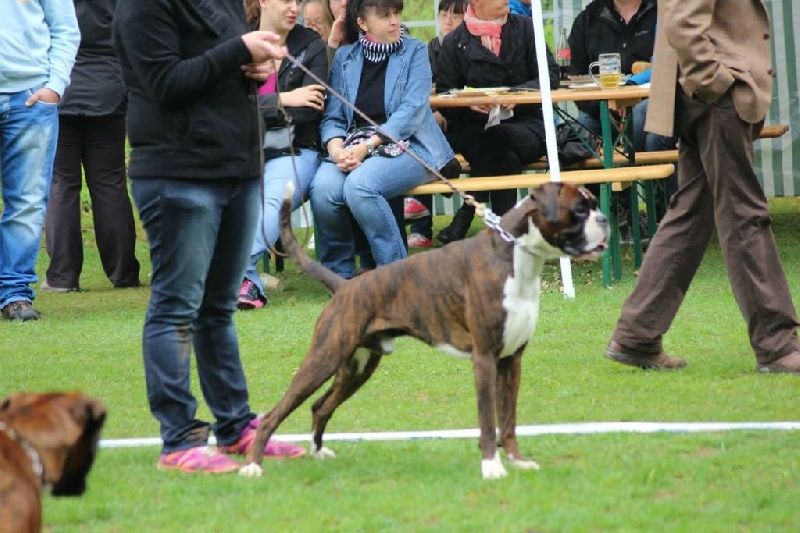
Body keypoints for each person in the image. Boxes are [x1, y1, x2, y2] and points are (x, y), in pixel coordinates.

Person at [113, 0, 306, 473]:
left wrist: (250, 68)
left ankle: (236, 428)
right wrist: (237, 51)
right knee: (176, 308)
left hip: (235, 167)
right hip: (179, 171)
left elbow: (215, 69)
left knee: (218, 309)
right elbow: (164, 83)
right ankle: (179, 440)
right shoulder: (141, 7)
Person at [604, 0, 800, 375]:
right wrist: (715, 83)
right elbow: (682, 21)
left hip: (706, 92)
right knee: (744, 214)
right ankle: (777, 345)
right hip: (714, 94)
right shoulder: (714, 85)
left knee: (692, 213)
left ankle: (637, 335)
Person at [309, 0, 454, 279]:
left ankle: (394, 276)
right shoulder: (344, 57)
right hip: (355, 145)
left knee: (360, 186)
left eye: (397, 13)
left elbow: (411, 114)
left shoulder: (415, 51)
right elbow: (334, 117)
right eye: (385, 15)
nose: (394, 21)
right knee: (324, 189)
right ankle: (340, 279)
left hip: (412, 146)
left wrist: (368, 145)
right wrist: (336, 147)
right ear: (362, 23)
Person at [433, 0, 559, 244]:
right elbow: (445, 97)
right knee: (504, 156)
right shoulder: (454, 42)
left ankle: (467, 212)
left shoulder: (526, 28)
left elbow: (550, 76)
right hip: (473, 130)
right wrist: (469, 103)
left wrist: (517, 96)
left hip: (526, 125)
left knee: (497, 137)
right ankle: (505, 236)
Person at [42, 0, 141, 294]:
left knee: (61, 183)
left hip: (59, 86)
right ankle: (123, 272)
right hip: (108, 88)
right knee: (109, 183)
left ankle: (62, 276)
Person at [237, 0, 329, 310]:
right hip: (244, 151)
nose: (294, 8)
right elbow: (226, 108)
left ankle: (234, 275)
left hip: (296, 150)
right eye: (286, 0)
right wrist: (285, 98)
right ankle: (248, 283)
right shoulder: (240, 42)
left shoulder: (311, 47)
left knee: (275, 200)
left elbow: (308, 112)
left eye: (299, 2)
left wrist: (256, 107)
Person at [0, 1, 79, 321]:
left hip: (29, 98)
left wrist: (55, 86)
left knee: (27, 202)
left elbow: (65, 28)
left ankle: (14, 294)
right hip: (32, 99)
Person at [567, 0, 675, 232]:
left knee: (642, 122)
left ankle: (650, 205)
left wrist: (630, 98)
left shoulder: (661, 12)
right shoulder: (589, 17)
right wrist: (604, 105)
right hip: (599, 107)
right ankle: (605, 214)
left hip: (650, 103)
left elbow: (668, 66)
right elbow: (574, 76)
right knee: (581, 128)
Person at [403, 0, 467, 250]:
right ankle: (421, 226)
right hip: (435, 123)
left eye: (455, 15)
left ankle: (420, 220)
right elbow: (422, 89)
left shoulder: (468, 46)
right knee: (415, 141)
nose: (448, 21)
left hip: (464, 123)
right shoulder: (431, 47)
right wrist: (436, 111)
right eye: (443, 14)